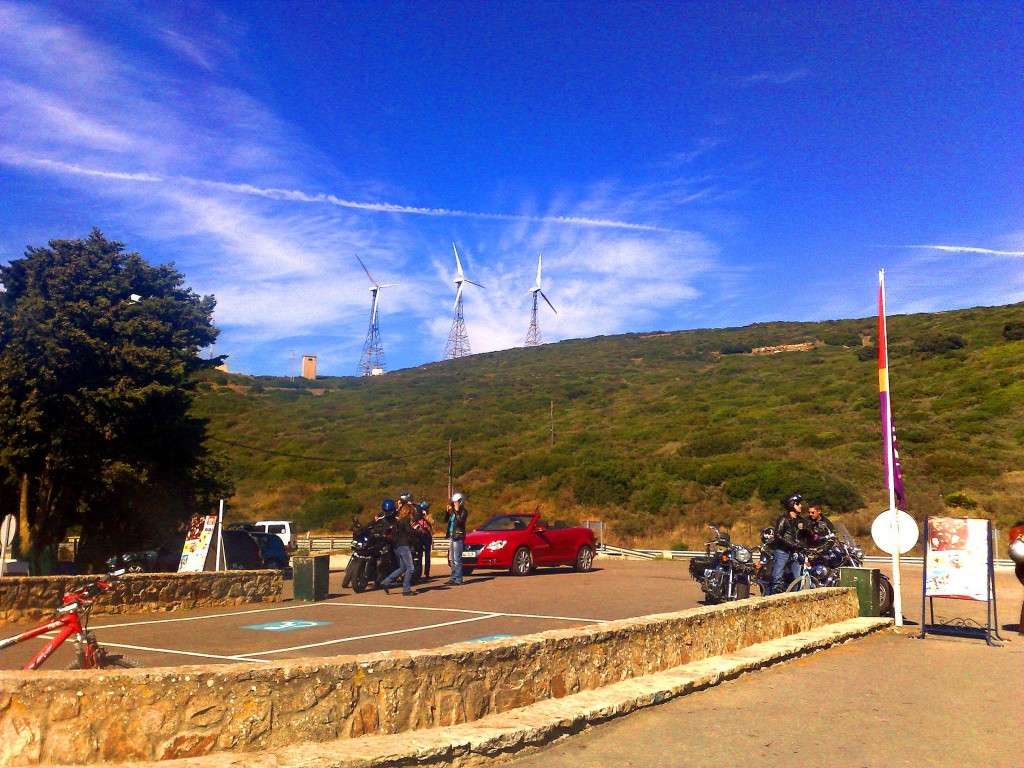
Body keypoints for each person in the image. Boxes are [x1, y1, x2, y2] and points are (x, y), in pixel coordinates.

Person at [379, 500, 417, 596]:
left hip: (397, 546)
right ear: (409, 512)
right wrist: (418, 532)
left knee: (402, 567)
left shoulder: (398, 521)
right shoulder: (406, 520)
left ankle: (386, 581)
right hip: (404, 546)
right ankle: (406, 589)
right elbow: (409, 531)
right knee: (410, 568)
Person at [771, 493, 804, 594]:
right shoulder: (784, 519)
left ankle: (794, 600)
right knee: (777, 577)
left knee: (797, 579)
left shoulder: (800, 520)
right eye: (798, 503)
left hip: (794, 552)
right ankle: (773, 599)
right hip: (782, 551)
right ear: (791, 504)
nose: (800, 506)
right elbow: (778, 535)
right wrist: (791, 544)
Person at [444, 492, 469, 586]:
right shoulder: (453, 512)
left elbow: (461, 522)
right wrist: (447, 511)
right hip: (452, 535)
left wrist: (457, 511)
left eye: (455, 502)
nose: (454, 504)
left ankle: (459, 579)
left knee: (457, 559)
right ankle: (453, 578)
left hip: (458, 536)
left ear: (460, 501)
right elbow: (446, 520)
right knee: (452, 559)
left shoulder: (463, 511)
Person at [413, 501, 435, 580]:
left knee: (427, 555)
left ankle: (427, 573)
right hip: (419, 536)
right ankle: (418, 572)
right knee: (419, 555)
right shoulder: (416, 517)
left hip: (427, 536)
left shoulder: (429, 516)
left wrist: (425, 516)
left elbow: (432, 523)